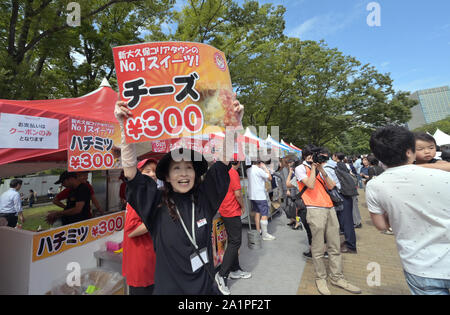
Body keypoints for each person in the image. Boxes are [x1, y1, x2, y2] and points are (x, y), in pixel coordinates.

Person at [114, 98, 244, 295]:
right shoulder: (155, 204)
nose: (183, 174)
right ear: (166, 176)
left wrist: (233, 126)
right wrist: (125, 129)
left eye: (188, 168)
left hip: (204, 290)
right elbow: (131, 174)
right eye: (177, 168)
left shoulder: (204, 199)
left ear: (195, 173)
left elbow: (222, 164)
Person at [366, 125, 450, 295]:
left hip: (420, 266)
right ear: (409, 151)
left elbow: (381, 226)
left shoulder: (374, 186)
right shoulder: (444, 174)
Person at [294, 145, 361, 295]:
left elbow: (332, 186)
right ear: (308, 156)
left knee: (334, 246)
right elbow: (310, 185)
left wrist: (322, 170)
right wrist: (312, 168)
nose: (320, 158)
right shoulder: (300, 168)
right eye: (316, 156)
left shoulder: (321, 169)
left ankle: (337, 277)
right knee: (318, 248)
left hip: (330, 208)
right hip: (313, 209)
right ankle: (320, 278)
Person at [122, 158, 158, 295]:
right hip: (140, 262)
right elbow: (131, 230)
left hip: (149, 259)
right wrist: (158, 220)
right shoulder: (136, 199)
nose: (153, 174)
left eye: (154, 171)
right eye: (147, 171)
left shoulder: (151, 195)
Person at [215, 160, 251, 295]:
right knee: (235, 242)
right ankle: (222, 274)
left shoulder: (221, 172)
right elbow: (238, 194)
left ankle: (235, 269)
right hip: (231, 210)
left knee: (232, 241)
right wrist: (242, 206)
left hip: (224, 209)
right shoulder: (233, 172)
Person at [330, 153, 358, 254]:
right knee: (347, 220)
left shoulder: (331, 166)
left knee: (346, 221)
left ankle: (351, 246)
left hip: (342, 195)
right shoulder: (343, 165)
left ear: (334, 156)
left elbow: (331, 184)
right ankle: (349, 242)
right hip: (347, 194)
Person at [247, 160, 276, 241]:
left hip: (252, 195)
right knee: (264, 213)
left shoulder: (248, 170)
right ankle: (265, 234)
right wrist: (265, 168)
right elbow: (270, 178)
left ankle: (258, 230)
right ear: (260, 163)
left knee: (257, 212)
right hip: (260, 195)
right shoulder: (259, 170)